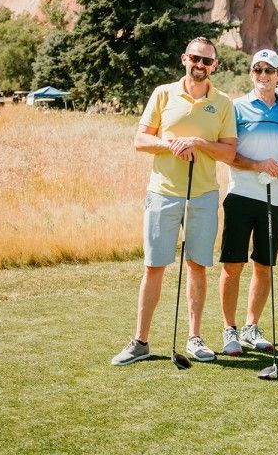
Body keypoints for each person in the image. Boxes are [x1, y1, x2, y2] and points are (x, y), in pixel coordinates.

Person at [111, 37, 237, 366]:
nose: (200, 64)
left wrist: (198, 142)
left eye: (207, 61)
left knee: (197, 265)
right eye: (195, 58)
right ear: (184, 58)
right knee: (154, 266)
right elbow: (140, 140)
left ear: (215, 66)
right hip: (163, 192)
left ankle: (194, 338)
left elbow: (229, 151)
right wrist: (172, 145)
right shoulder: (163, 94)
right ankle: (140, 342)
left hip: (204, 195)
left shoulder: (222, 102)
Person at [219, 49, 278, 355]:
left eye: (269, 70)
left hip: (272, 200)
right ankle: (230, 330)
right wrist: (258, 165)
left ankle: (252, 326)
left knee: (264, 266)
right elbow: (228, 154)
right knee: (233, 265)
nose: (263, 75)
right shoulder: (236, 108)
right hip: (240, 196)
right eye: (257, 70)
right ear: (251, 74)